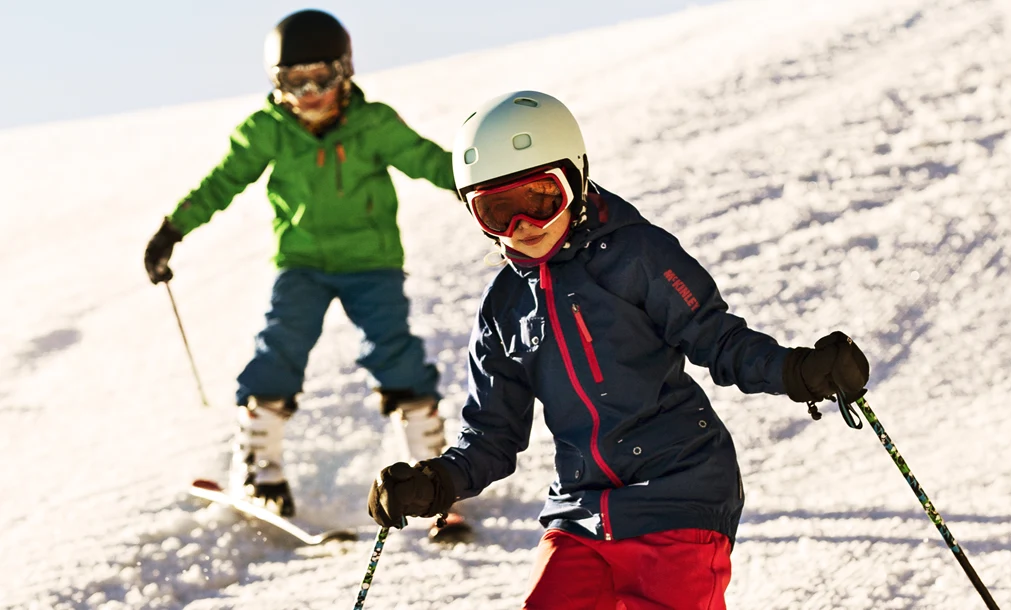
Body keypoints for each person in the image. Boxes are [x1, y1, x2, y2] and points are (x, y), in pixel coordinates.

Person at [365, 90, 870, 607]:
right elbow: (493, 435)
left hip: (681, 491)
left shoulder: (635, 255)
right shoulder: (504, 308)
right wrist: (436, 481)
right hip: (582, 512)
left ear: (577, 181)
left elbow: (716, 337)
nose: (523, 228)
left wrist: (797, 370)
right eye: (497, 212)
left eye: (541, 200)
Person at [143, 9, 468, 539]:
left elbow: (430, 162)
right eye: (295, 80)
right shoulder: (266, 132)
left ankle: (432, 480)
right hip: (301, 265)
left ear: (345, 72)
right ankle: (260, 474)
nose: (310, 91)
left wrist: (485, 195)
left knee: (396, 353)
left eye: (321, 76)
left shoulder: (375, 124)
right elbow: (221, 183)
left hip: (372, 264)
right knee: (279, 349)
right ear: (277, 83)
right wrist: (172, 230)